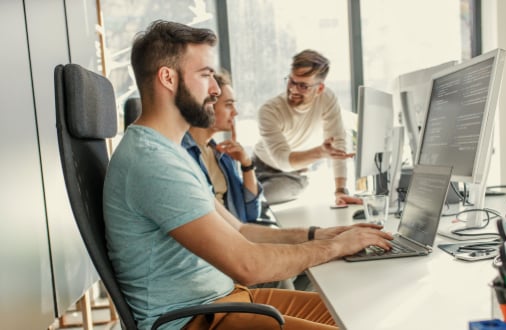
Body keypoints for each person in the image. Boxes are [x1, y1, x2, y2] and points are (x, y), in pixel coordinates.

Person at [103, 20, 393, 330]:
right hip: (195, 321)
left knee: (361, 311)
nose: (215, 90)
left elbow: (242, 231)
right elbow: (248, 265)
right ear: (168, 78)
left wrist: (319, 234)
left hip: (224, 301)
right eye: (205, 76)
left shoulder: (171, 152)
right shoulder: (153, 162)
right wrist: (336, 248)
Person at [252, 50, 362, 206]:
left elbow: (337, 147)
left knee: (254, 202)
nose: (293, 90)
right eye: (291, 81)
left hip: (292, 176)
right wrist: (320, 153)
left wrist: (340, 191)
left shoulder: (327, 99)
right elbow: (282, 159)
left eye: (303, 86)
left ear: (319, 88)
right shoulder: (270, 110)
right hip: (256, 165)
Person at [182, 71, 263, 223]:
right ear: (208, 105)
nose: (235, 112)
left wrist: (246, 164)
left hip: (237, 236)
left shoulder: (222, 155)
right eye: (228, 105)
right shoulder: (182, 154)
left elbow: (252, 212)